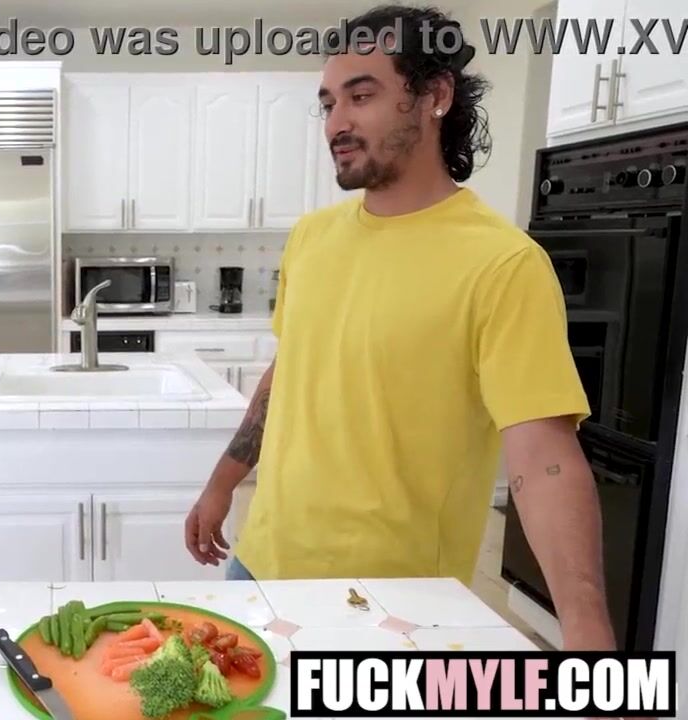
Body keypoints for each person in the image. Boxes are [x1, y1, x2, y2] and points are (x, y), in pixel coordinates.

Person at [183, 5, 617, 651]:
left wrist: (586, 629)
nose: (337, 123)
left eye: (361, 96)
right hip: (262, 565)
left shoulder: (503, 263)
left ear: (435, 96)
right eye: (328, 103)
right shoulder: (311, 238)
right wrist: (221, 484)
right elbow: (291, 371)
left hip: (391, 605)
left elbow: (544, 457)